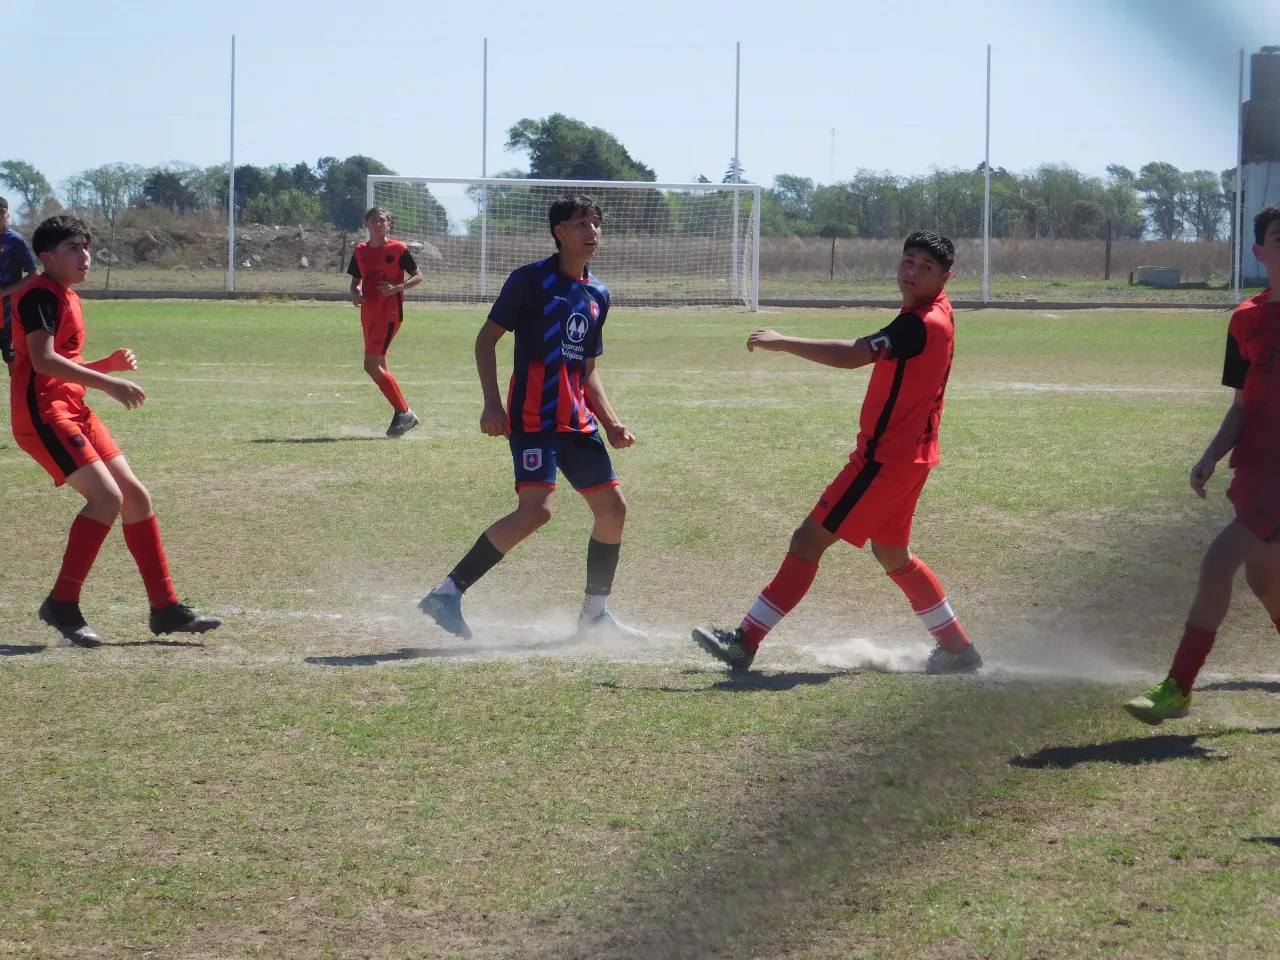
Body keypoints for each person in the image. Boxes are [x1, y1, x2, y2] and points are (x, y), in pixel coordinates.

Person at [691, 230, 983, 675]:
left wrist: (782, 341)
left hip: (883, 461)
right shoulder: (935, 312)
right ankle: (958, 648)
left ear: (945, 277)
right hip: (912, 458)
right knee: (893, 554)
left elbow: (853, 355)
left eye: (926, 268)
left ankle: (744, 642)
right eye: (908, 260)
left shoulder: (919, 324)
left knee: (808, 541)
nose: (912, 272)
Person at [419, 195, 644, 641]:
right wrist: (491, 404)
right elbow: (486, 341)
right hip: (533, 418)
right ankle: (446, 593)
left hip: (577, 422)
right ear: (559, 232)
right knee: (536, 512)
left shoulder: (598, 294)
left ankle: (594, 614)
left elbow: (586, 369)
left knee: (613, 509)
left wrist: (612, 421)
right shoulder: (530, 280)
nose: (592, 231)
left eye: (596, 224)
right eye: (581, 224)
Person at [11, 214, 221, 647]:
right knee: (107, 499)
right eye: (73, 248)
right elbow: (43, 361)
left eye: (86, 246)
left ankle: (165, 608)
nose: (85, 255)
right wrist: (107, 383)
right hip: (43, 415)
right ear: (47, 257)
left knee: (135, 497)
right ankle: (62, 604)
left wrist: (103, 366)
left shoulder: (66, 295)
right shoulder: (39, 295)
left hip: (72, 408)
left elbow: (61, 365)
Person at [1125, 204, 1280, 724]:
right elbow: (1242, 405)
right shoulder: (1245, 320)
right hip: (1257, 470)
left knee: (1219, 562)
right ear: (1258, 252)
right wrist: (1212, 453)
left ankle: (1178, 687)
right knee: (1266, 583)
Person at [347, 205, 423, 437]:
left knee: (370, 365)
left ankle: (405, 412)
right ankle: (401, 414)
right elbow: (355, 282)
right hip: (368, 314)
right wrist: (355, 293)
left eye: (382, 220)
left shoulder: (398, 249)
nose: (378, 224)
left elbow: (418, 276)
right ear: (366, 224)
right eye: (374, 220)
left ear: (389, 224)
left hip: (389, 314)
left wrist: (397, 288)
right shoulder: (360, 251)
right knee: (379, 366)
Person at [0, 196, 39, 377]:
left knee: (15, 368)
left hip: (8, 316)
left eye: (1, 212)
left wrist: (5, 292)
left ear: (7, 216)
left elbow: (34, 275)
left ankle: (21, 397)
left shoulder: (15, 241)